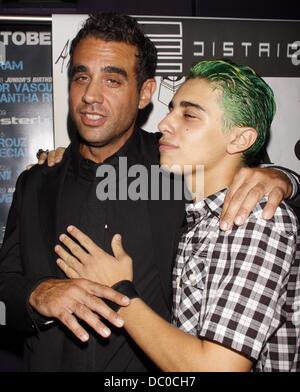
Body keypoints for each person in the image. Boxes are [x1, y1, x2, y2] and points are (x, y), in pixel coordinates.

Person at [0, 12, 298, 372]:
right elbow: (7, 280)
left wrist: (283, 178)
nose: (90, 96)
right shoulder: (36, 183)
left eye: (112, 80)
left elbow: (246, 175)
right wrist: (36, 295)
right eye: (81, 77)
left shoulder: (176, 163)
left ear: (145, 93)